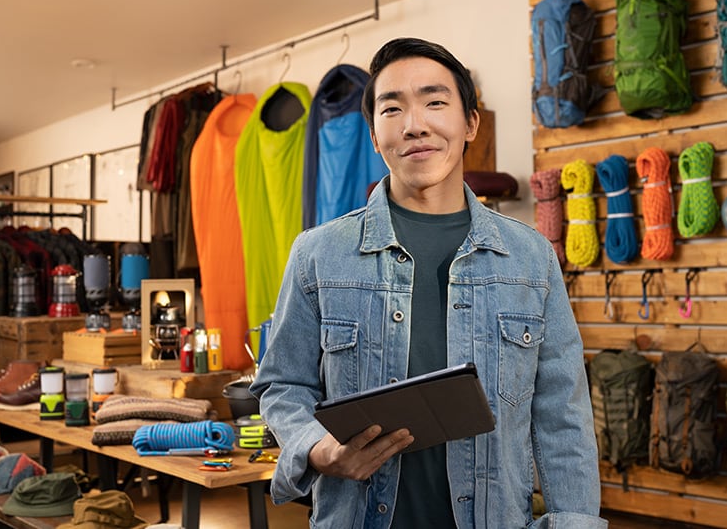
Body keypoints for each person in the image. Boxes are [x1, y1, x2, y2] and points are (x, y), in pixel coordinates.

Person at [250, 37, 605, 528]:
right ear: (374, 134)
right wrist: (317, 449)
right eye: (392, 108)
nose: (415, 125)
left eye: (435, 102)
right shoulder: (317, 253)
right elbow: (283, 384)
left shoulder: (531, 258)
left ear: (470, 123)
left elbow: (563, 418)